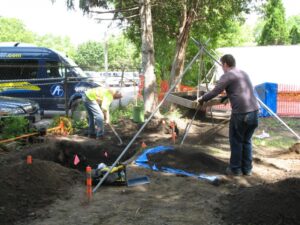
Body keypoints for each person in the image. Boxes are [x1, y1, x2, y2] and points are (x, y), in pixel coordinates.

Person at [198, 54, 259, 176]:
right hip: (254, 112)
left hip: (241, 114)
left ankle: (235, 169)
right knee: (246, 141)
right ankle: (247, 169)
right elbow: (240, 90)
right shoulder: (243, 73)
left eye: (222, 64)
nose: (222, 67)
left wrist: (202, 99)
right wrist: (228, 96)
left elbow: (215, 91)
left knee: (236, 141)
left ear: (225, 64)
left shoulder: (227, 76)